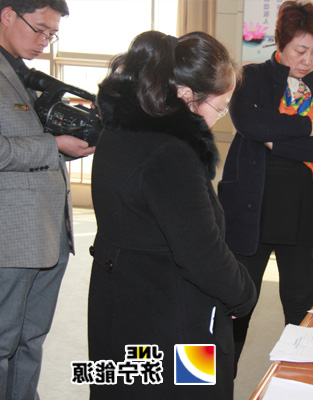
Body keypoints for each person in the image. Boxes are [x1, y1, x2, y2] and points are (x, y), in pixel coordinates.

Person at [88, 31, 257, 399]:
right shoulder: (172, 154)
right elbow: (201, 254)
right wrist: (243, 295)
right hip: (175, 324)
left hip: (122, 307)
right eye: (220, 107)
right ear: (185, 95)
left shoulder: (118, 130)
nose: (219, 118)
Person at [217, 0, 313, 367]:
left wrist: (277, 142)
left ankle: (299, 380)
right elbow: (249, 124)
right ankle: (216, 385)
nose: (307, 60)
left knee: (300, 306)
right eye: (300, 50)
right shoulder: (252, 78)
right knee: (236, 305)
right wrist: (307, 126)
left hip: (304, 214)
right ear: (280, 43)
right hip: (251, 212)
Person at [0, 1, 95, 399]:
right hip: (11, 238)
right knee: (3, 342)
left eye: (52, 34)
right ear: (7, 15)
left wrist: (70, 142)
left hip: (49, 232)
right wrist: (52, 145)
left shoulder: (23, 73)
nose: (44, 41)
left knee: (31, 340)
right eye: (39, 29)